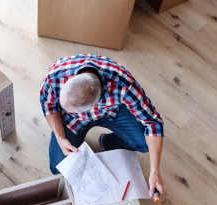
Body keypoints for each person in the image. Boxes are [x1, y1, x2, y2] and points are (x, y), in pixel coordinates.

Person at [40, 54, 165, 197]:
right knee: (58, 169)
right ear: (69, 80)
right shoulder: (55, 76)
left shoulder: (123, 84)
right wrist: (60, 137)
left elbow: (153, 123)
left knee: (144, 143)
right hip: (73, 120)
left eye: (69, 109)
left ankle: (107, 142)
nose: (63, 110)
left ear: (96, 103)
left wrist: (155, 171)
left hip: (110, 113)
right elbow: (49, 106)